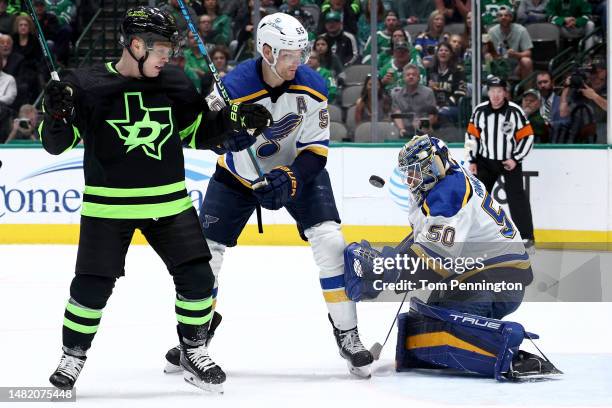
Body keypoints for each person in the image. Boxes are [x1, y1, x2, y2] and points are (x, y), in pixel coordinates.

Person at [41, 6, 272, 392]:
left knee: (199, 278)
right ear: (136, 45)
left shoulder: (176, 83)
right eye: (162, 48)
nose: (169, 56)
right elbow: (55, 145)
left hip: (169, 204)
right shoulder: (84, 84)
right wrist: (57, 116)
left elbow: (200, 134)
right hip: (107, 207)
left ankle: (193, 349)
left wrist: (238, 125)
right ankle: (73, 355)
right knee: (90, 288)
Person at [164, 12, 375, 378]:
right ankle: (195, 338)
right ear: (266, 50)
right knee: (205, 255)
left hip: (297, 171)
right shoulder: (232, 85)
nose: (298, 61)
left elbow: (317, 151)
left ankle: (348, 333)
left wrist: (290, 178)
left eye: (301, 53)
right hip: (236, 176)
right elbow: (197, 130)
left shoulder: (313, 87)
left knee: (330, 241)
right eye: (289, 54)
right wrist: (223, 137)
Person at [343, 135, 561, 380]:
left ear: (435, 164)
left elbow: (433, 264)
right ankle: (490, 341)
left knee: (443, 332)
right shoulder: (447, 175)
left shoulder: (449, 194)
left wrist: (385, 271)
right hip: (487, 273)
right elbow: (426, 238)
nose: (411, 179)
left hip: (494, 277)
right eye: (408, 173)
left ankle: (512, 356)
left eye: (417, 171)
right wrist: (392, 264)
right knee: (428, 319)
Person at [465, 76, 535, 248]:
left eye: (499, 91)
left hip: (509, 161)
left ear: (505, 92)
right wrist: (472, 159)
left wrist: (516, 158)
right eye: (492, 91)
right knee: (478, 198)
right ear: (487, 92)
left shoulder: (515, 111)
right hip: (485, 162)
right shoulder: (479, 111)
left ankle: (526, 237)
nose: (495, 95)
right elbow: (471, 136)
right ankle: (475, 235)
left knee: (517, 197)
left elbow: (527, 136)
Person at [487, 6, 534, 80]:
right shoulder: (492, 31)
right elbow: (489, 50)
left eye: (506, 15)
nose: (503, 17)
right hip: (499, 63)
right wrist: (497, 56)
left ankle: (527, 90)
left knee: (526, 61)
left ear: (511, 18)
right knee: (487, 56)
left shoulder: (521, 30)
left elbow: (528, 53)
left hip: (517, 65)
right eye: (500, 15)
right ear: (497, 18)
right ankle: (490, 86)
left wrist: (516, 54)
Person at [426, 41, 466, 124]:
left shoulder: (458, 71)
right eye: (441, 50)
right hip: (433, 106)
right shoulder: (431, 71)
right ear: (437, 54)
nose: (443, 52)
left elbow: (460, 93)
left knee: (440, 113)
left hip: (452, 106)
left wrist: (445, 104)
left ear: (451, 54)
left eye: (446, 50)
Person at [391, 64, 436, 137]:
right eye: (408, 75)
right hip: (403, 130)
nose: (411, 77)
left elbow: (433, 115)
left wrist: (423, 124)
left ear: (419, 78)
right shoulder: (397, 95)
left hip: (424, 130)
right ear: (403, 78)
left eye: (414, 75)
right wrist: (401, 129)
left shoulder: (428, 92)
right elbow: (397, 115)